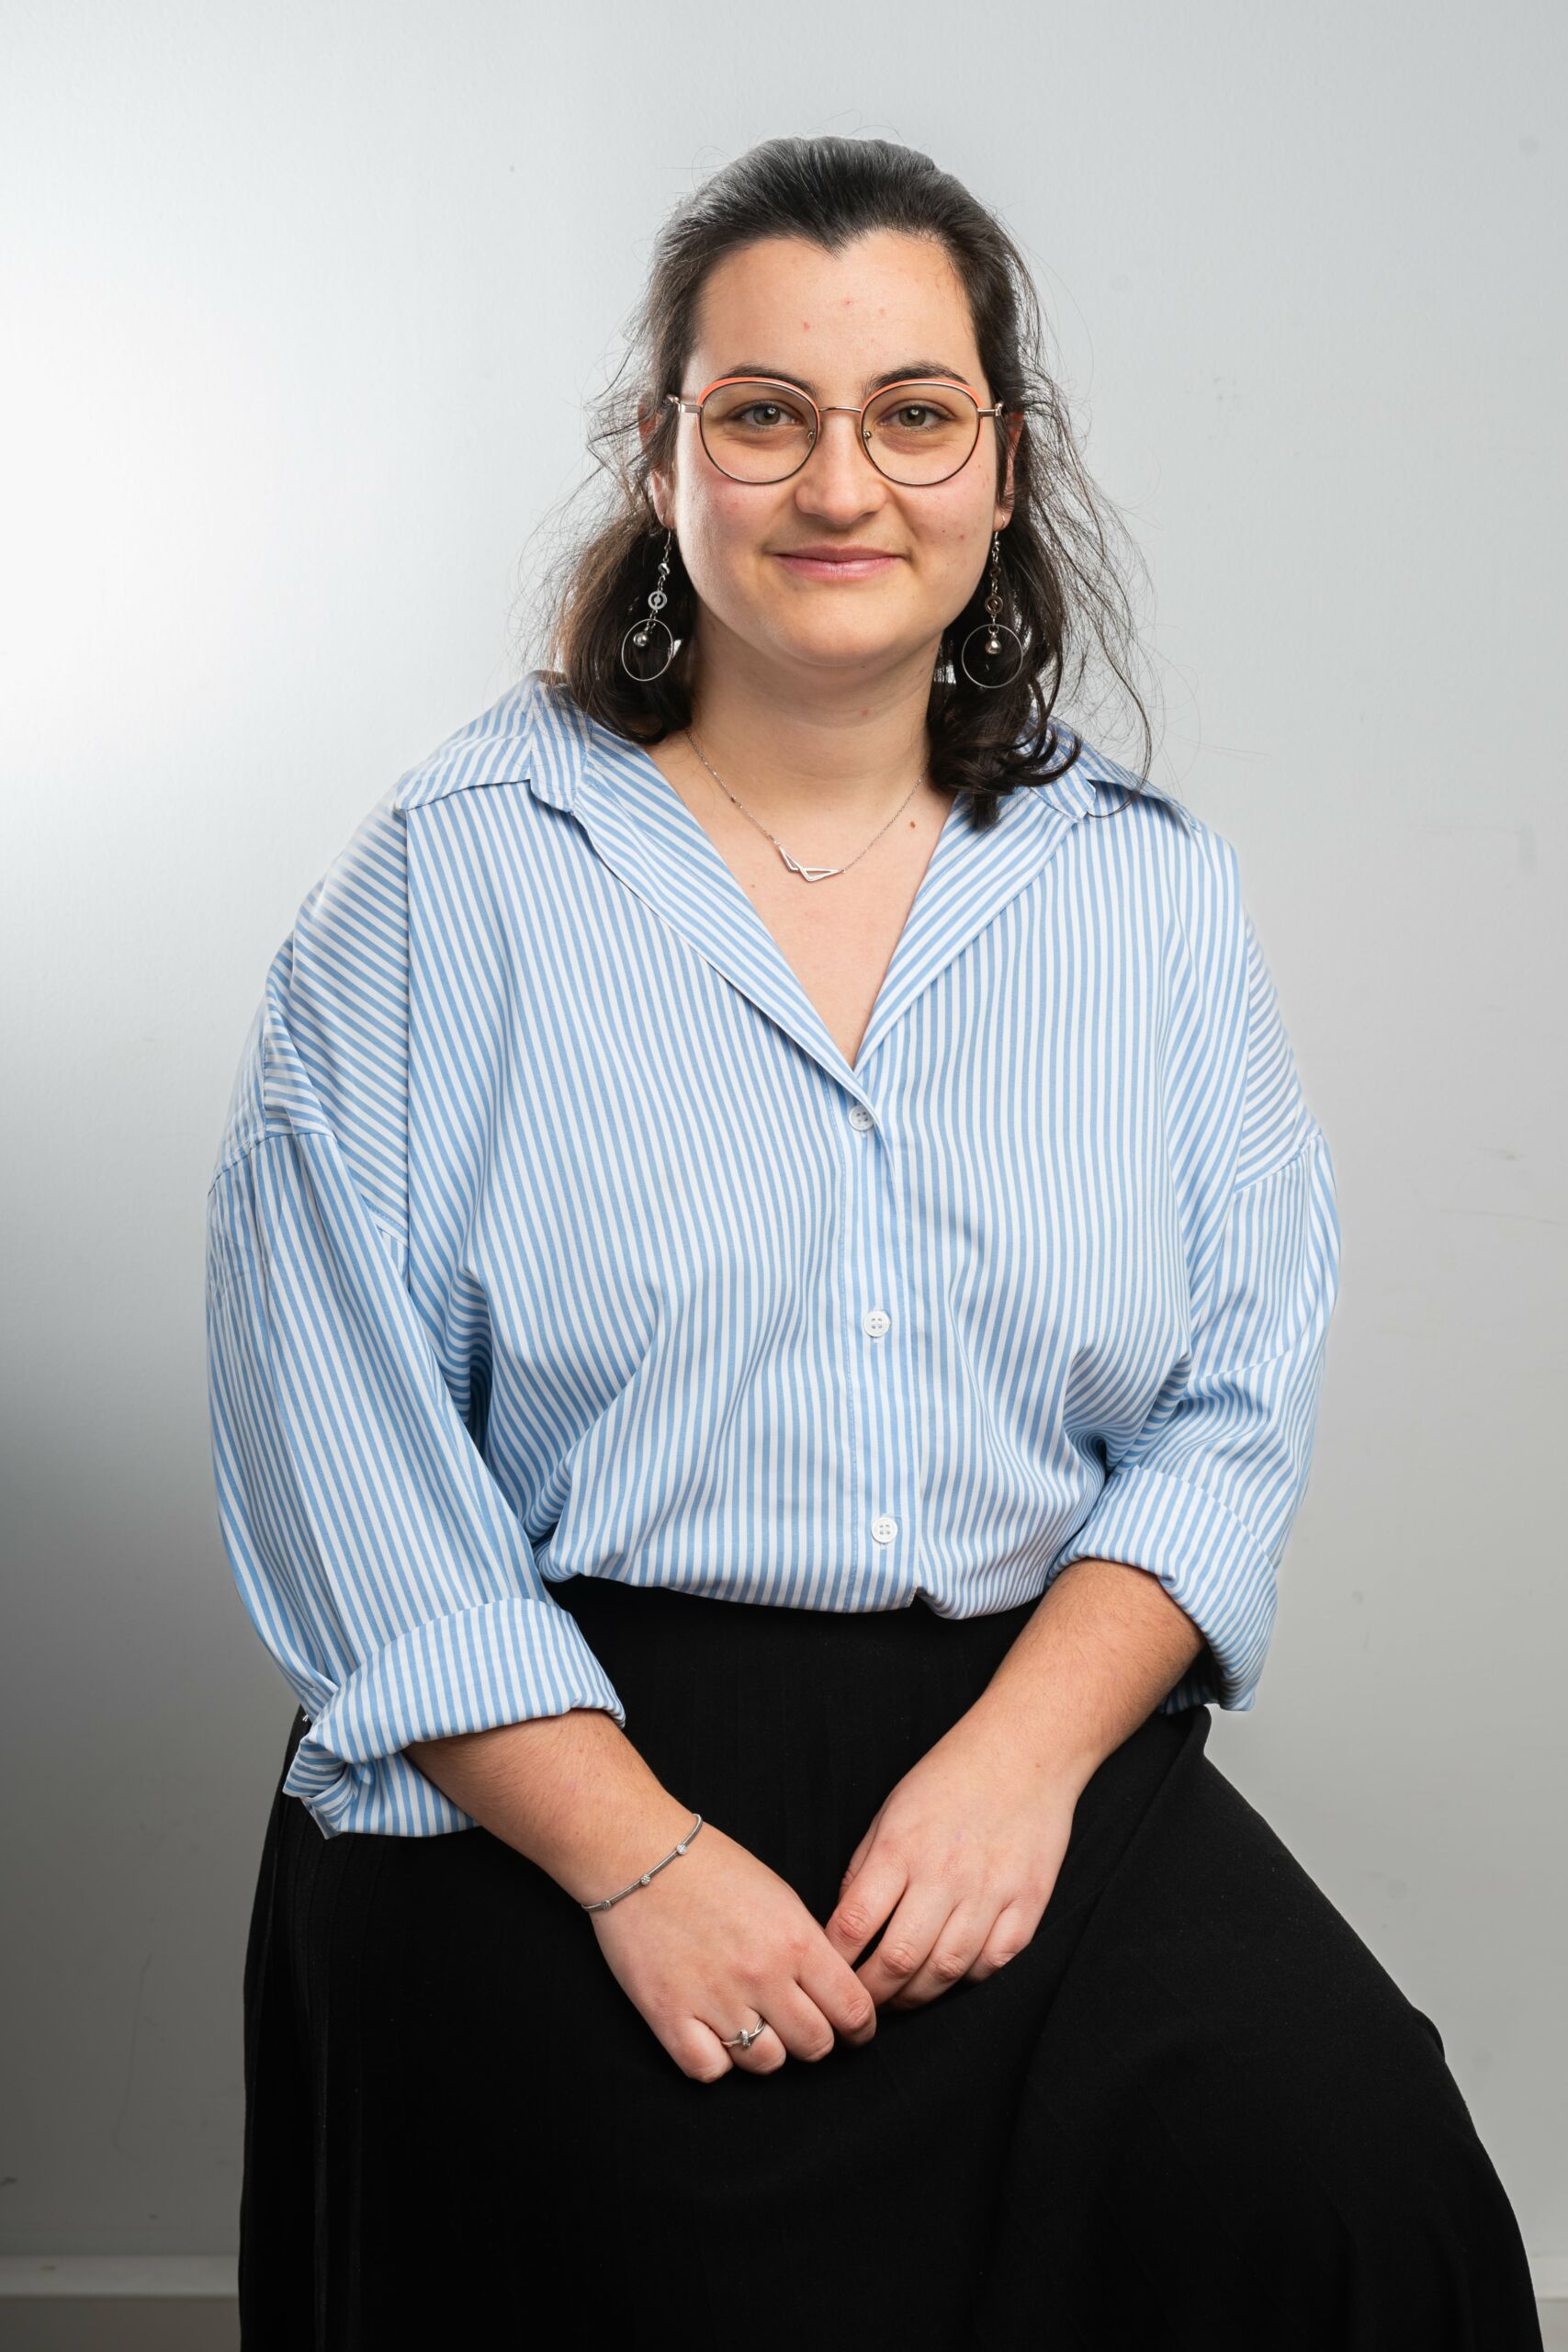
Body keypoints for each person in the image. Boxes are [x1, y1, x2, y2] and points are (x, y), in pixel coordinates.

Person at [204, 134, 1542, 2349]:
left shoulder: (1144, 894)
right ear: (660, 457)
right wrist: (636, 1855)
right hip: (542, 1750)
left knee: (1348, 2169)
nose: (842, 482)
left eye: (912, 413)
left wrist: (1024, 1760)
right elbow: (332, 1446)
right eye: (763, 414)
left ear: (999, 466)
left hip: (1020, 1729)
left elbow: (1231, 1397)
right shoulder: (445, 878)